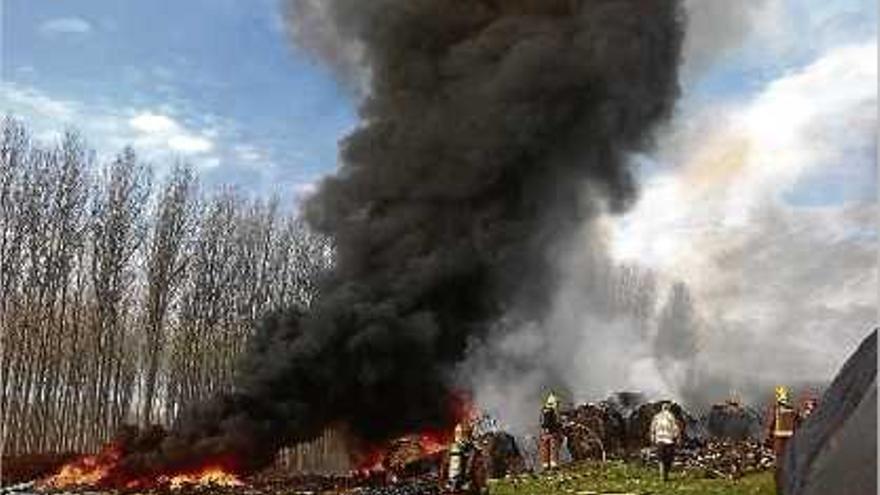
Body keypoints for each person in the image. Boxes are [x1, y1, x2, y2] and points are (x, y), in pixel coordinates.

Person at [765, 385, 797, 491]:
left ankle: (781, 486)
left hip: (779, 442)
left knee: (779, 465)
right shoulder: (792, 410)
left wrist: (768, 438)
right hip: (790, 442)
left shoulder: (776, 410)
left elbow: (770, 425)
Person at [650, 402, 681, 481]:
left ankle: (662, 476)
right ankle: (665, 475)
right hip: (669, 441)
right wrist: (678, 439)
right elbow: (675, 429)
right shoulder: (671, 417)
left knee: (661, 459)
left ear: (662, 408)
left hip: (659, 440)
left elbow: (652, 428)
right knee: (668, 459)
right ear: (669, 409)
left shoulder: (656, 417)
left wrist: (653, 438)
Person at [446, 422, 477, 493]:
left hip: (467, 446)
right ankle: (454, 481)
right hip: (459, 446)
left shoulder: (472, 448)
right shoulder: (460, 427)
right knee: (456, 454)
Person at [539, 392, 563, 470]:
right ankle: (554, 464)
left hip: (544, 434)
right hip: (552, 433)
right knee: (553, 448)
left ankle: (545, 465)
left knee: (545, 449)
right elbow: (556, 423)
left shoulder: (543, 411)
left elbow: (540, 422)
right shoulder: (553, 412)